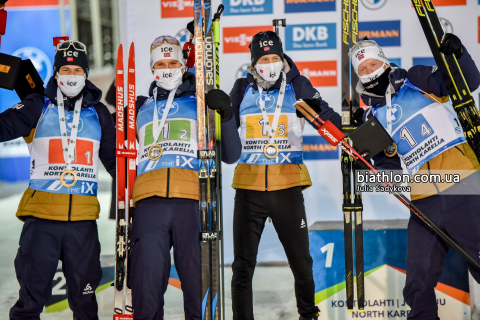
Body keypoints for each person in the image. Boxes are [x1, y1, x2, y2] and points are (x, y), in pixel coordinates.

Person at [349, 34, 480, 320]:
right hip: (423, 200)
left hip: (464, 184)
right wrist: (366, 160)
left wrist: (459, 56)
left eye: (373, 63)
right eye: (362, 69)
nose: (369, 71)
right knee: (417, 283)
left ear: (384, 61)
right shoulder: (372, 117)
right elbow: (391, 171)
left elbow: (467, 83)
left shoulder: (416, 79)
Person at [228, 30, 341, 320]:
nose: (270, 63)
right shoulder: (242, 88)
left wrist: (353, 134)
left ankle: (308, 315)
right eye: (264, 58)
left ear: (282, 58)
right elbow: (226, 136)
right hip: (249, 190)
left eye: (275, 57)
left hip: (287, 188)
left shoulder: (296, 85)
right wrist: (222, 115)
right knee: (242, 265)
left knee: (301, 262)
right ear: (254, 63)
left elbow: (326, 119)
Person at [0, 40, 116, 320]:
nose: (72, 75)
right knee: (29, 305)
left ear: (86, 74)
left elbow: (115, 162)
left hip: (83, 225)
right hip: (41, 223)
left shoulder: (99, 113)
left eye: (78, 70)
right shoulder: (37, 105)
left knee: (86, 306)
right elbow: (3, 127)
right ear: (55, 73)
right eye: (66, 69)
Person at [128, 35, 241, 320]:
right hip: (149, 203)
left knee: (198, 283)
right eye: (161, 64)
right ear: (153, 69)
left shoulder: (201, 103)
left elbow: (231, 154)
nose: (167, 68)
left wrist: (225, 115)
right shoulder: (140, 106)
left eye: (173, 62)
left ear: (183, 66)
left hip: (195, 201)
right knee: (146, 282)